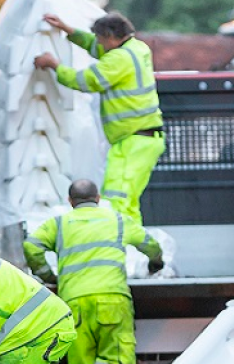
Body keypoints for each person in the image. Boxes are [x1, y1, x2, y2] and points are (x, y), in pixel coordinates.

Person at [23, 179, 163, 364]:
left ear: (70, 201)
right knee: (120, 360)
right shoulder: (117, 220)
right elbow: (150, 244)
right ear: (98, 198)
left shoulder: (59, 224)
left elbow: (32, 246)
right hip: (111, 299)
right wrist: (156, 263)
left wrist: (47, 275)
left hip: (72, 303)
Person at [33, 12, 164, 224]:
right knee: (127, 201)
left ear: (111, 36)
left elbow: (86, 81)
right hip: (140, 139)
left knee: (116, 199)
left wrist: (54, 65)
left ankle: (121, 243)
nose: (99, 44)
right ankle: (133, 244)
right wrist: (69, 30)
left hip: (133, 141)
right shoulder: (136, 48)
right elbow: (97, 47)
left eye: (101, 39)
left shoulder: (118, 59)